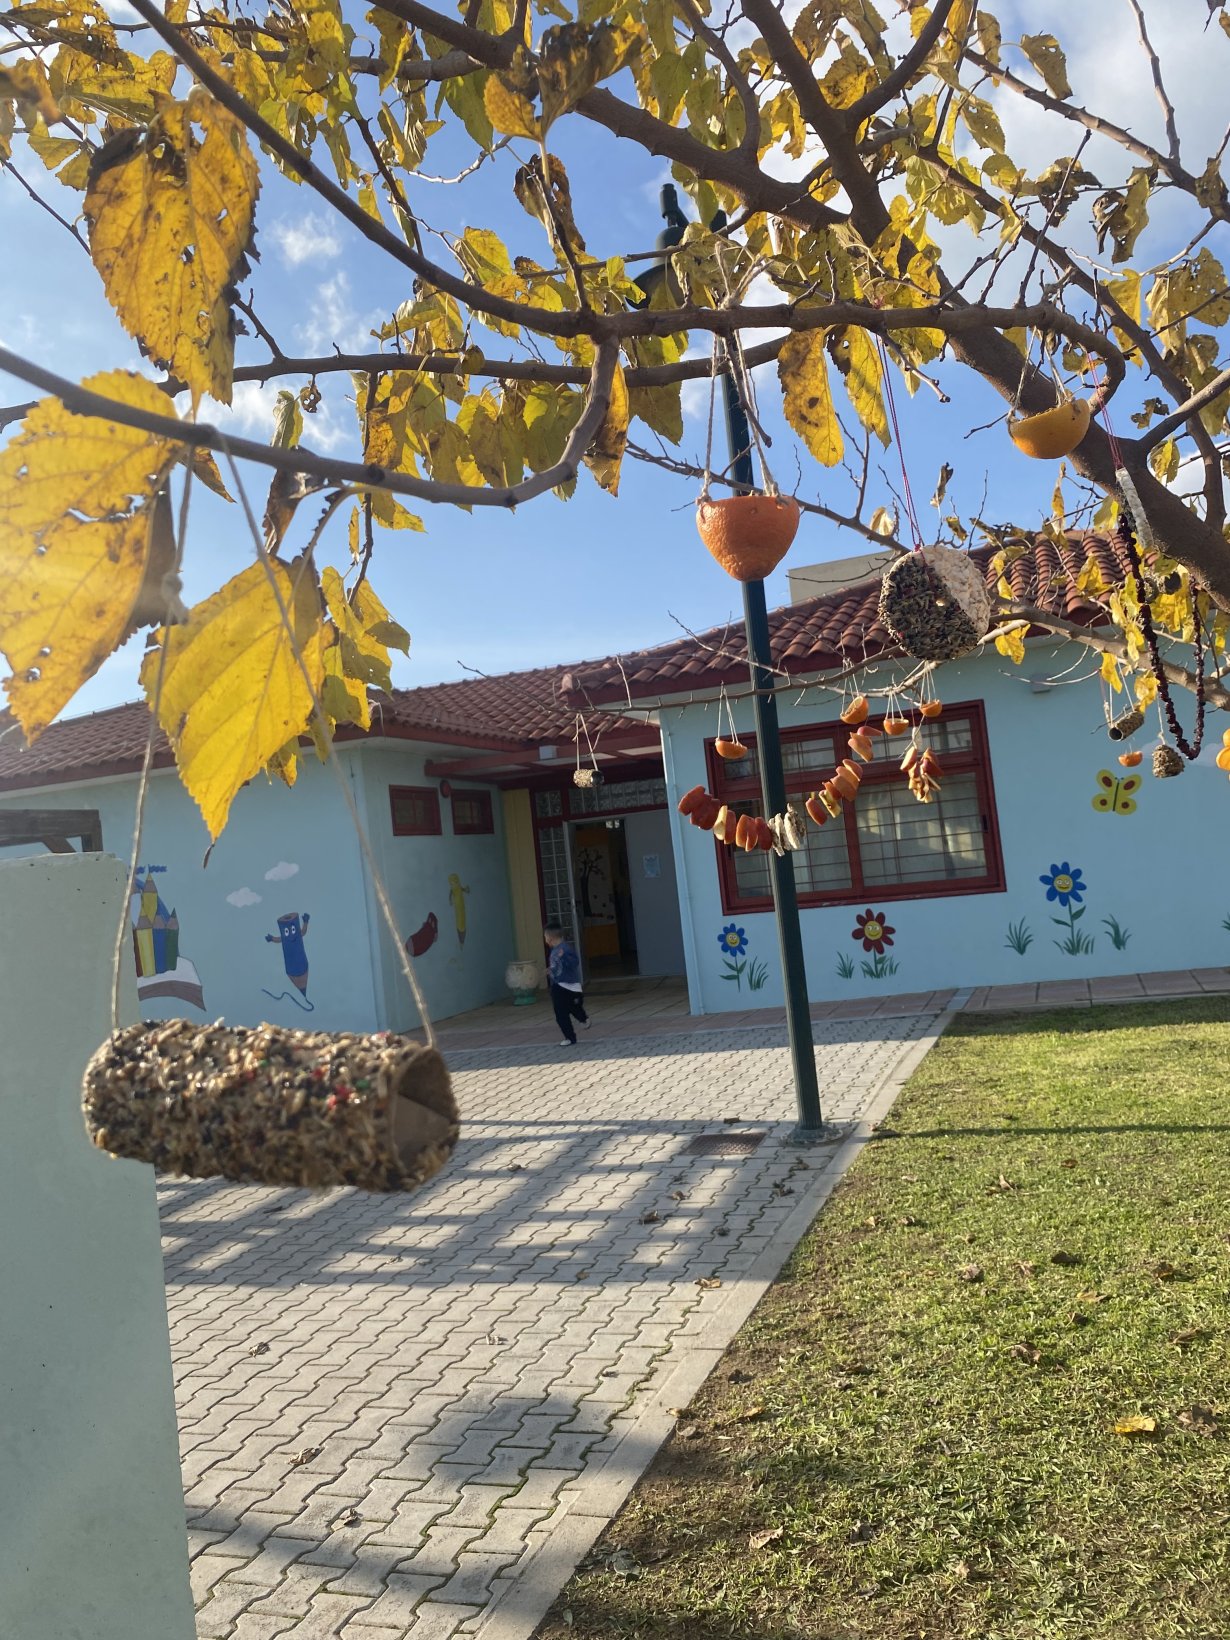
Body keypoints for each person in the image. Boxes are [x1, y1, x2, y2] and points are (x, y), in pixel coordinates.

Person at [544, 922, 590, 1047]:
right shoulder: (554, 951)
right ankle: (569, 1037)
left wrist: (564, 956)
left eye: (545, 937)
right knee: (560, 1014)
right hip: (558, 986)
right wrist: (550, 970)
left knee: (574, 1008)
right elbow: (557, 966)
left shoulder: (565, 949)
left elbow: (574, 963)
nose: (545, 940)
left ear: (550, 938)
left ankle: (583, 1018)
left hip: (571, 987)